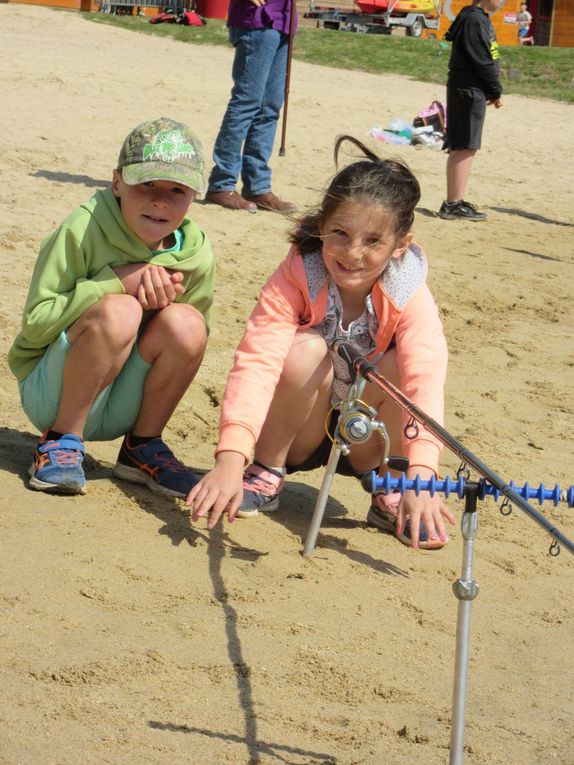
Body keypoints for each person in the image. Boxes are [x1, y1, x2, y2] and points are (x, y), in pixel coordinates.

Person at [188, 135, 456, 550]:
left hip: (369, 438)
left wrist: (423, 474)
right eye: (340, 233)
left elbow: (426, 378)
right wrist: (230, 458)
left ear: (400, 245)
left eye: (373, 241)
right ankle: (266, 470)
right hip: (300, 431)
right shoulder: (296, 274)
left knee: (406, 363)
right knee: (305, 349)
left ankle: (394, 488)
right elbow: (257, 362)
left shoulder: (410, 292)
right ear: (320, 226)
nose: (352, 253)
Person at [8, 117, 215, 497]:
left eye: (177, 189)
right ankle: (60, 441)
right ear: (117, 181)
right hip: (53, 395)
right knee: (120, 311)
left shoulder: (196, 254)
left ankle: (142, 446)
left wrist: (157, 308)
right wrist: (116, 281)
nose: (160, 200)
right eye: (146, 184)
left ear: (194, 195)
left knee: (188, 324)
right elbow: (36, 325)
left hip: (127, 399)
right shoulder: (82, 228)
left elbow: (188, 348)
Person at [204, 0, 298, 214]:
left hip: (284, 19)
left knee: (270, 108)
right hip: (256, 19)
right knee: (246, 103)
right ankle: (222, 183)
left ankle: (257, 186)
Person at [437, 0, 504, 222]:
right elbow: (483, 59)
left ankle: (454, 200)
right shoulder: (475, 19)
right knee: (466, 145)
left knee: (462, 145)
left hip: (464, 86)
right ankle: (453, 203)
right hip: (469, 87)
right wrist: (494, 89)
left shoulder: (472, 16)